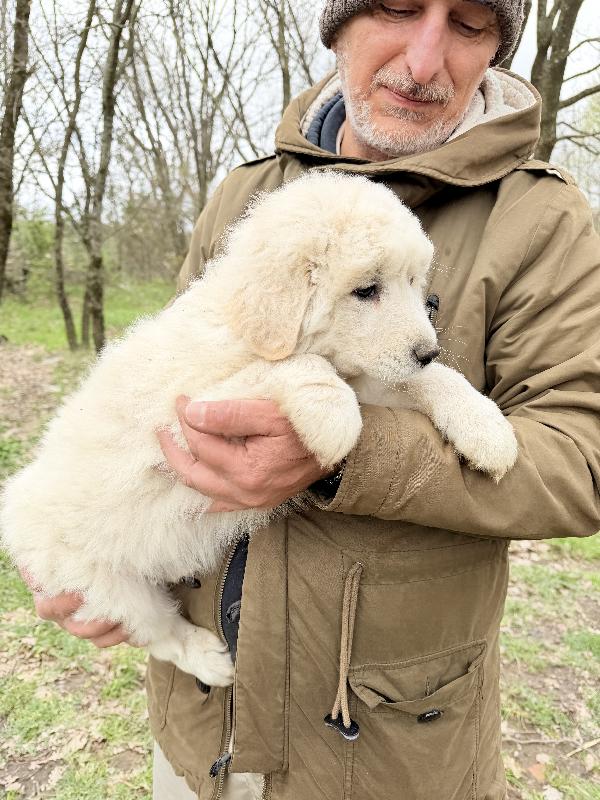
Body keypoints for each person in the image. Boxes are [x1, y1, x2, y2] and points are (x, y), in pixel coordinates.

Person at [27, 1, 600, 798]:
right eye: (398, 7)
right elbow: (173, 383)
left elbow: (583, 460)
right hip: (207, 728)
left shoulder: (543, 222)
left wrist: (351, 454)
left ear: (498, 48)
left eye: (468, 24)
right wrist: (90, 558)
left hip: (386, 743)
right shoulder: (247, 195)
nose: (424, 60)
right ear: (337, 24)